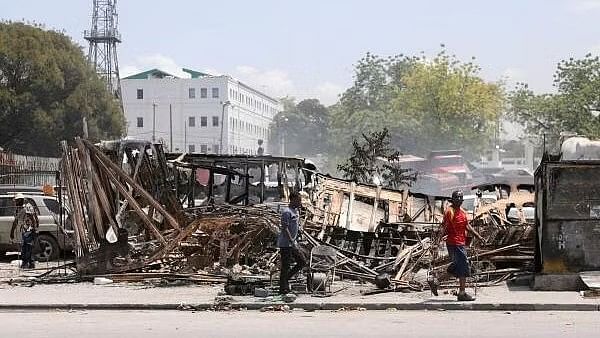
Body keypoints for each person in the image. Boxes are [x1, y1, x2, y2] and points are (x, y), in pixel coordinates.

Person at [440, 190, 485, 301]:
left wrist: (478, 236)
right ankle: (462, 293)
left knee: (458, 267)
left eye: (461, 198)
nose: (459, 200)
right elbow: (443, 226)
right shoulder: (449, 211)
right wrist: (438, 241)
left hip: (461, 243)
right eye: (457, 198)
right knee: (463, 265)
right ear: (453, 199)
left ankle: (437, 281)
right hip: (453, 243)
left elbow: (467, 226)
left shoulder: (463, 212)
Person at [278, 191, 307, 294]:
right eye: (298, 200)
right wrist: (291, 241)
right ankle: (282, 288)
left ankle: (285, 280)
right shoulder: (287, 212)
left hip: (293, 242)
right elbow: (284, 228)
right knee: (286, 266)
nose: (300, 202)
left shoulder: (296, 211)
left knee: (302, 262)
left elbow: (296, 226)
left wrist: (299, 234)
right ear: (293, 200)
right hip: (286, 244)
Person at [10, 193, 39, 269]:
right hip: (24, 230)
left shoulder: (27, 207)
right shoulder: (18, 209)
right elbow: (16, 221)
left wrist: (35, 229)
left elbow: (32, 217)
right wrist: (12, 231)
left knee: (28, 247)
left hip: (29, 230)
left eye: (16, 201)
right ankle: (27, 263)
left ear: (20, 200)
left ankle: (28, 263)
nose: (15, 202)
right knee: (25, 247)